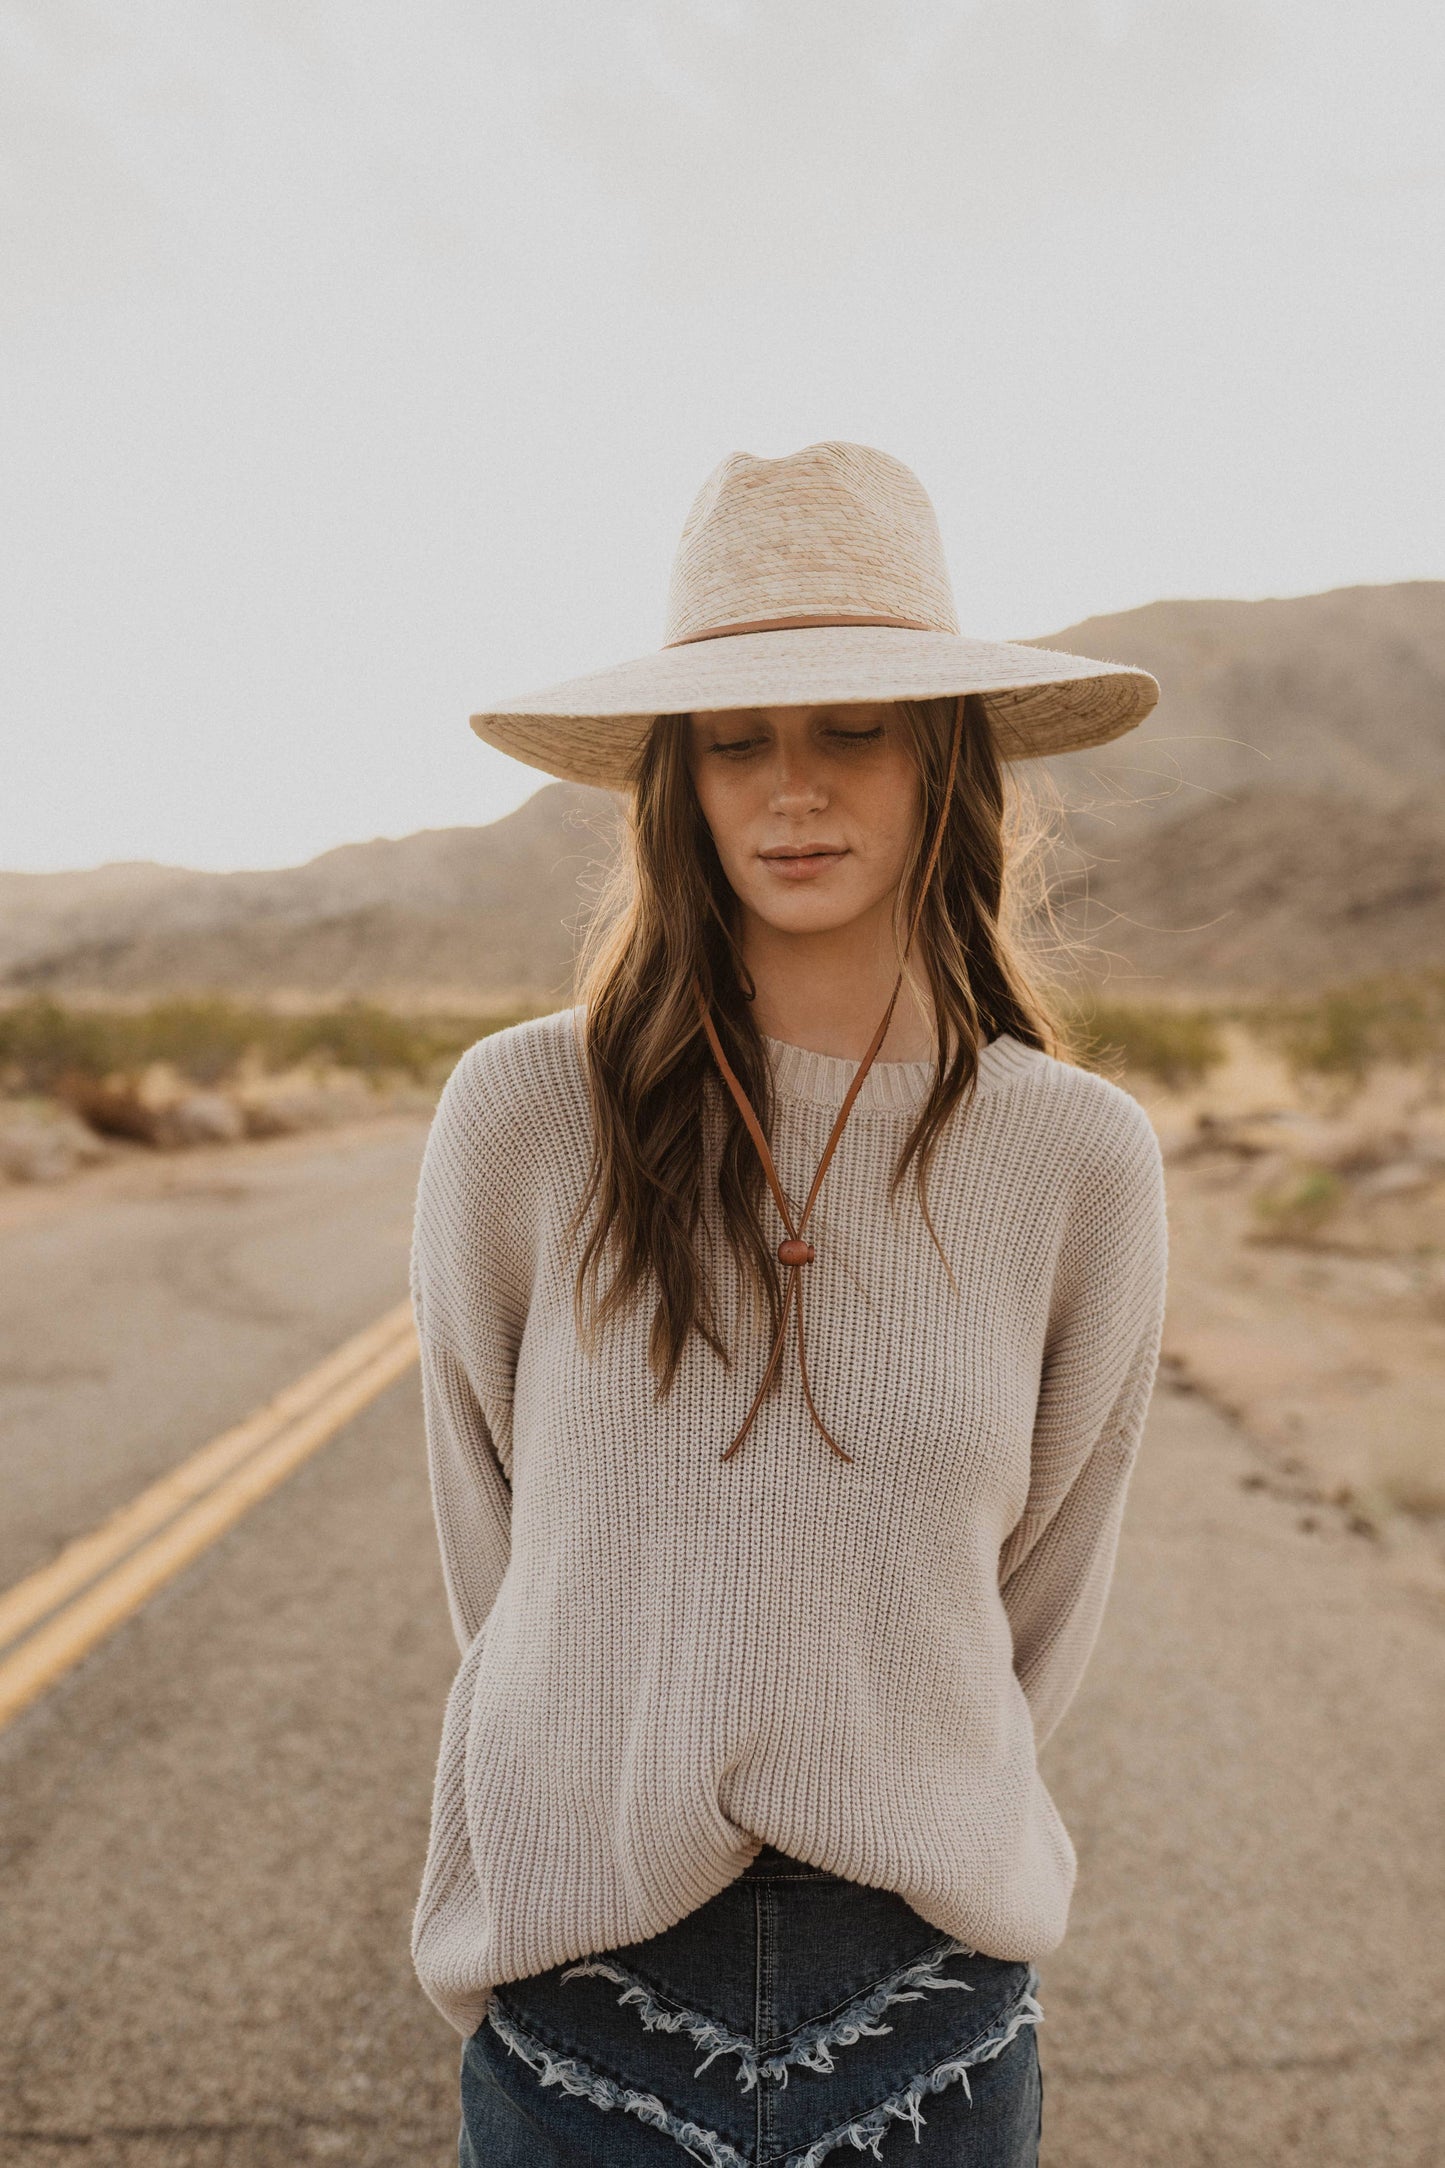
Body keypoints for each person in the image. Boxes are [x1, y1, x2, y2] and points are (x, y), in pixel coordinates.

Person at [409, 442, 1169, 2167]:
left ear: (944, 758)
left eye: (853, 728)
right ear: (676, 779)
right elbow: (496, 1553)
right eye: (736, 740)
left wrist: (883, 1775)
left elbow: (1039, 1595)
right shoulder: (528, 1114)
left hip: (923, 2015)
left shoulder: (1074, 1157)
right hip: (585, 1992)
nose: (791, 789)